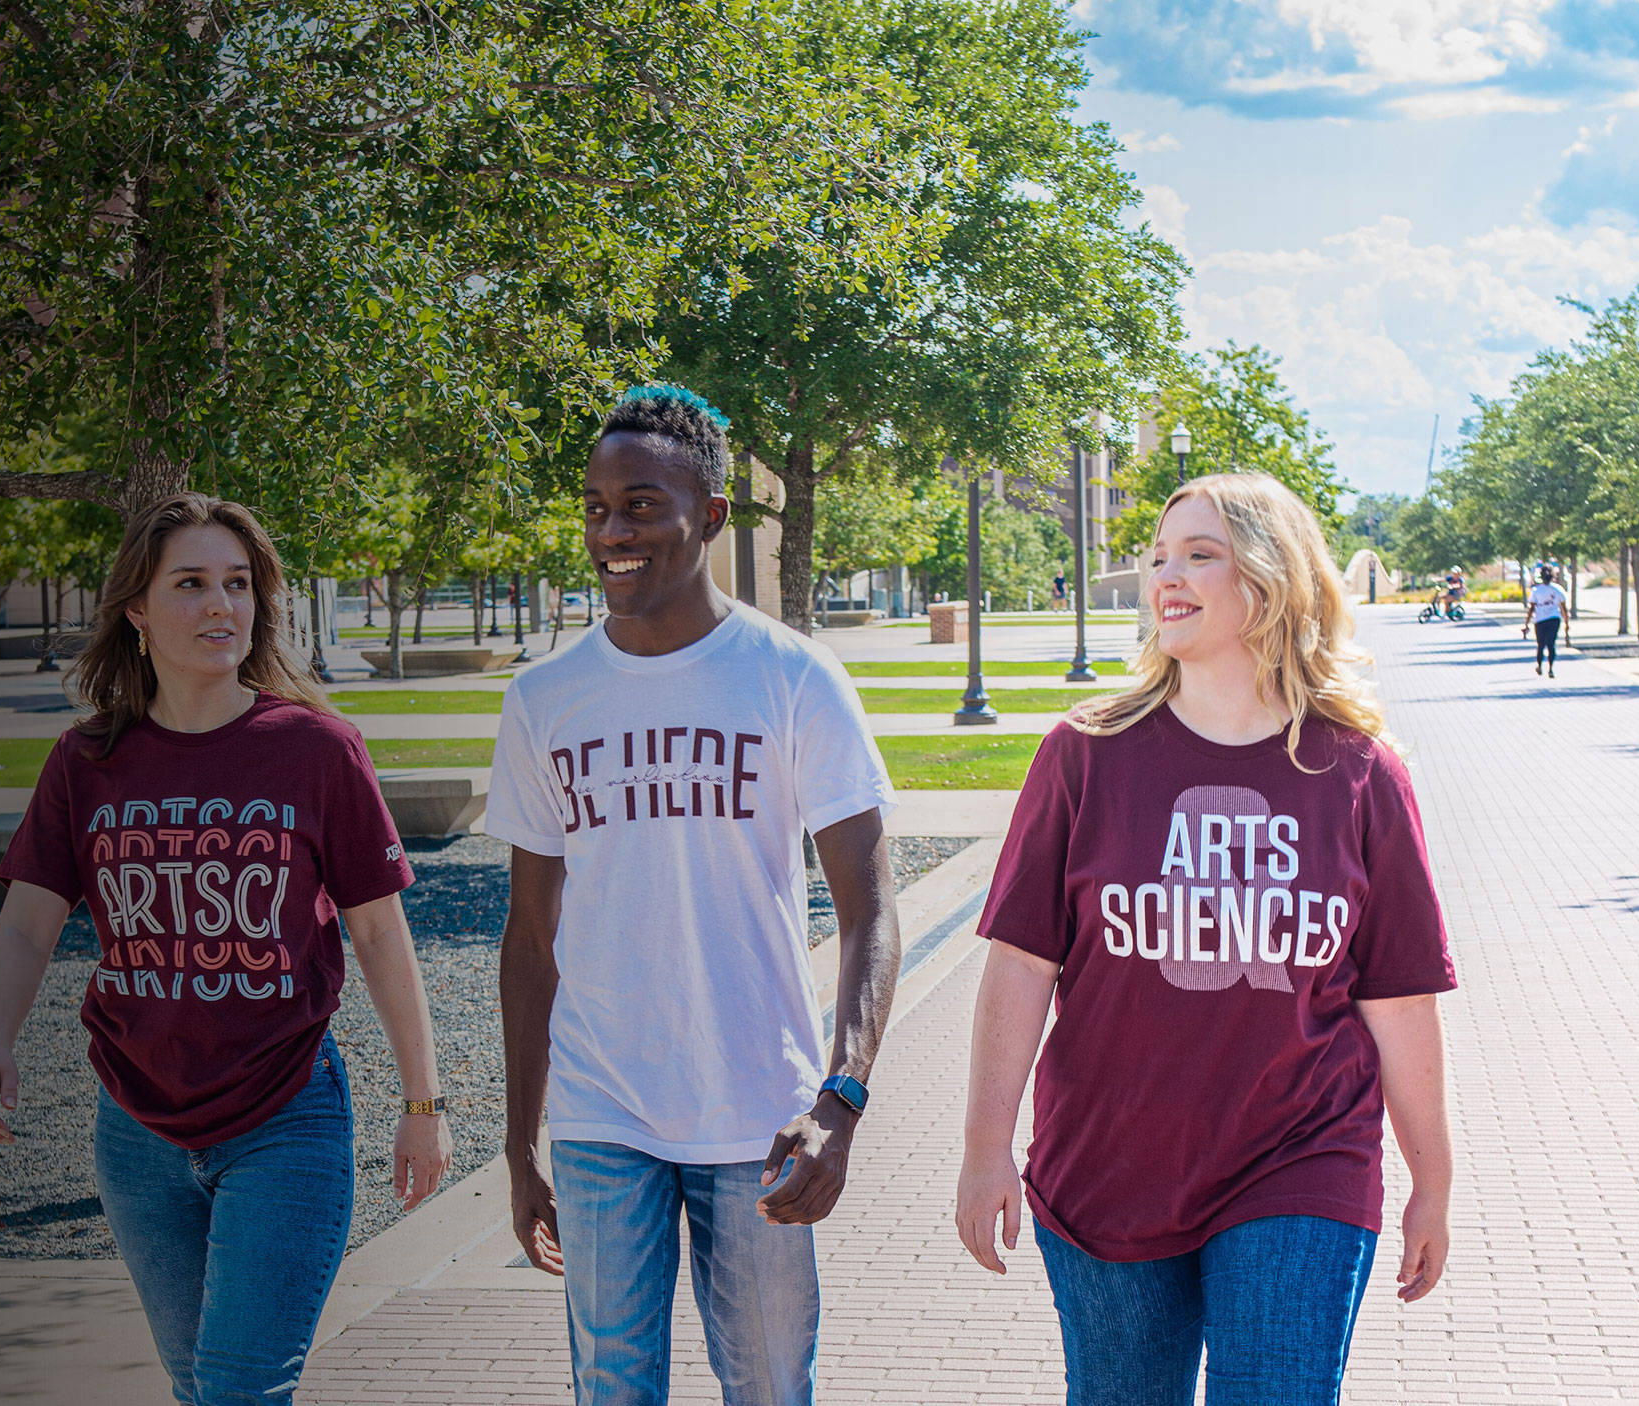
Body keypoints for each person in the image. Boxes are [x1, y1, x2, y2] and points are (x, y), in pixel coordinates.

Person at [954, 472, 1456, 1405]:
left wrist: (1434, 1177)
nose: (1165, 578)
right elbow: (1021, 964)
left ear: (1271, 580)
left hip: (1303, 1156)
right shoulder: (1085, 755)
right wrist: (985, 1145)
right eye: (1157, 558)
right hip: (1109, 1163)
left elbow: (1398, 996)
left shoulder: (1360, 776)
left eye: (1199, 555)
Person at [0, 493, 454, 1405]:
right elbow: (29, 924)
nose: (221, 606)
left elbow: (380, 932)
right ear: (137, 611)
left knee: (237, 1391)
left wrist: (421, 1101)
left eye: (239, 584)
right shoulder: (88, 760)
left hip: (286, 1116)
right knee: (201, 1390)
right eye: (191, 584)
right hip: (136, 1129)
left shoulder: (317, 749)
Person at [490, 385, 906, 1406]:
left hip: (757, 1111)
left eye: (639, 504)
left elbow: (870, 910)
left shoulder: (794, 678)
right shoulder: (544, 699)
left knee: (768, 1385)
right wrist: (517, 1139)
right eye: (594, 506)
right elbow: (529, 937)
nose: (609, 530)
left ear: (711, 515)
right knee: (612, 1388)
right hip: (599, 1113)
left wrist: (840, 1097)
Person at [1525, 565, 1570, 676]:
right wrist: (1567, 623)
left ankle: (1540, 666)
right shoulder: (1558, 589)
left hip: (1540, 620)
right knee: (1551, 644)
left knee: (1541, 644)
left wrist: (1526, 623)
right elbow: (1564, 608)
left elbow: (1532, 608)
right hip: (1554, 619)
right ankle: (1550, 668)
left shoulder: (1536, 590)